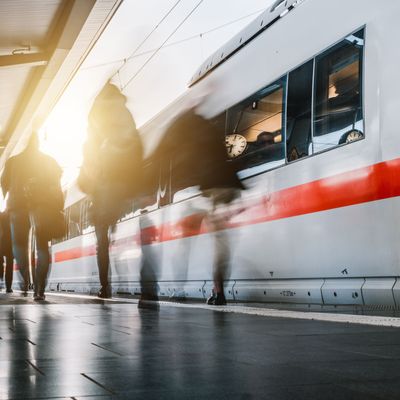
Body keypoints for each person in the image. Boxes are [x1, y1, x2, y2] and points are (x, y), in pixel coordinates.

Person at [155, 108, 244, 305]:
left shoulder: (186, 139)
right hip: (228, 187)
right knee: (220, 244)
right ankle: (218, 291)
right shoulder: (211, 130)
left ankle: (184, 288)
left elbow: (168, 156)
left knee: (187, 244)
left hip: (209, 192)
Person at [78, 81, 143, 298]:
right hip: (123, 187)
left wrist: (88, 183)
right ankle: (144, 283)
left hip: (102, 189)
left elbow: (90, 157)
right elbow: (137, 148)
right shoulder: (125, 115)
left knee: (101, 241)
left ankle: (105, 286)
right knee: (131, 233)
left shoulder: (95, 119)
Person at [1, 132, 63, 300]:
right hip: (41, 207)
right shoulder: (49, 161)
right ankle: (40, 289)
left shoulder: (13, 161)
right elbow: (57, 181)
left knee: (19, 246)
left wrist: (9, 195)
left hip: (17, 207)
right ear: (38, 143)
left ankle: (26, 279)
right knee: (42, 247)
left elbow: (3, 182)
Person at [0, 210, 13, 292]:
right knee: (9, 264)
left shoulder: (1, 215)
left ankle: (1, 281)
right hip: (10, 242)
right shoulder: (12, 215)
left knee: (0, 262)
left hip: (1, 241)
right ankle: (8, 287)